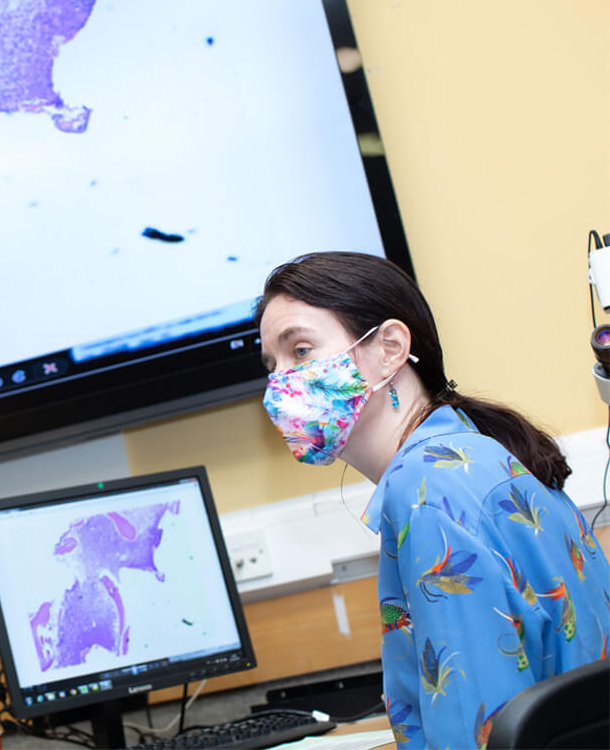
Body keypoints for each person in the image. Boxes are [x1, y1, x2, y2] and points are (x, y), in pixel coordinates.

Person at [254, 251, 610, 750]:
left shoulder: (426, 491)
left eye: (302, 351)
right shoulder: (471, 453)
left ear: (390, 348)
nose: (280, 384)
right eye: (272, 364)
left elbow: (471, 727)